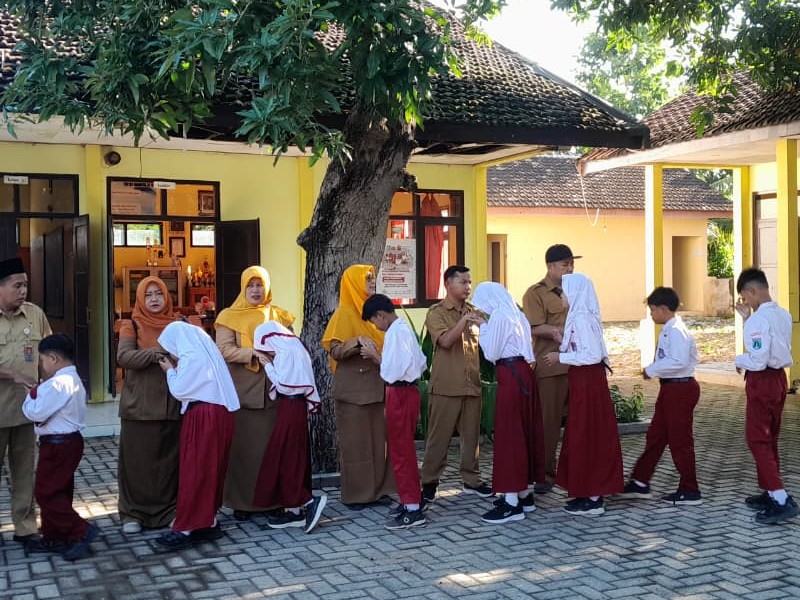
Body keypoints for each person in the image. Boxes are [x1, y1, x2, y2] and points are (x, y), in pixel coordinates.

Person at [215, 266, 295, 520]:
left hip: (274, 392)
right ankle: (243, 503)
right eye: (250, 285)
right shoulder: (229, 316)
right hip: (243, 394)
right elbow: (223, 350)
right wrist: (252, 353)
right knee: (244, 451)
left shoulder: (278, 315)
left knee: (272, 450)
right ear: (243, 288)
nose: (255, 290)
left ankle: (273, 501)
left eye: (260, 285)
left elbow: (292, 346)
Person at [543, 273, 623, 515]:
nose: (562, 297)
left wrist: (560, 356)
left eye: (564, 292)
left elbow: (591, 355)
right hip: (584, 382)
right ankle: (585, 491)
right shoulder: (580, 315)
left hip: (588, 382)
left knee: (589, 435)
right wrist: (563, 342)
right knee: (582, 434)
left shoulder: (581, 318)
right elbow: (584, 348)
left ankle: (594, 496)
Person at [155, 322, 239, 550]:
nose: (171, 354)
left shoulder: (191, 357)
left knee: (195, 471)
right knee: (211, 470)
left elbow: (180, 390)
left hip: (203, 416)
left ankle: (185, 528)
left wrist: (169, 371)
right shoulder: (205, 353)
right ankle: (208, 521)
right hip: (218, 414)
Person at [620, 287, 702, 505]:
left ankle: (690, 489)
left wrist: (652, 370)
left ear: (663, 309)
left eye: (653, 310)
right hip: (670, 388)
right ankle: (640, 481)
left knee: (680, 440)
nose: (651, 314)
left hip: (680, 389)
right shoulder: (670, 329)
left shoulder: (676, 331)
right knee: (656, 436)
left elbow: (679, 361)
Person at [472, 282, 544, 524]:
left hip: (511, 375)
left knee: (510, 436)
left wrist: (482, 327)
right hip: (522, 373)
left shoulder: (500, 316)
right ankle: (523, 495)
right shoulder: (516, 314)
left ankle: (512, 503)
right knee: (522, 433)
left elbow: (492, 353)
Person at [322, 265, 394, 509]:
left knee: (379, 444)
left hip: (378, 387)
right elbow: (334, 350)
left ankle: (378, 491)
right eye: (366, 279)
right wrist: (356, 341)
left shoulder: (376, 313)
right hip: (353, 391)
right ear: (352, 282)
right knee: (356, 445)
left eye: (373, 278)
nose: (371, 282)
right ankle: (357, 495)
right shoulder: (344, 313)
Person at [21, 334, 98, 560]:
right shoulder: (70, 379)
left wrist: (30, 396)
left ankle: (80, 530)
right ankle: (55, 536)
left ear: (53, 358)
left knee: (46, 493)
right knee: (59, 491)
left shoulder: (59, 383)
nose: (42, 364)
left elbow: (36, 412)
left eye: (43, 359)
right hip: (66, 442)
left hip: (58, 445)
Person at [116, 277, 183, 534]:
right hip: (139, 407)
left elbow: (193, 355)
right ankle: (133, 514)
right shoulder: (131, 324)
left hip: (172, 403)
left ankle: (169, 511)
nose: (154, 299)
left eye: (159, 293)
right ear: (140, 299)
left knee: (169, 463)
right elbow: (124, 357)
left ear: (167, 296)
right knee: (137, 463)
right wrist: (155, 354)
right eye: (148, 295)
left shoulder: (179, 324)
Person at [421, 265, 492, 503]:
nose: (468, 287)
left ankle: (472, 480)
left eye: (470, 282)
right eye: (463, 282)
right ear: (448, 284)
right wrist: (463, 322)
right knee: (438, 439)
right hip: (446, 387)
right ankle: (429, 482)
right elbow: (445, 341)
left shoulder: (474, 311)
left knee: (471, 439)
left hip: (471, 385)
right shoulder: (437, 312)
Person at [734, 268, 798, 524]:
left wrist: (738, 359)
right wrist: (747, 319)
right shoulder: (783, 314)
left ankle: (780, 499)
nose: (745, 302)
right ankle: (770, 491)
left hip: (762, 381)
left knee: (757, 439)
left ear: (752, 291)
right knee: (770, 437)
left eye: (745, 297)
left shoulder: (757, 321)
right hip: (779, 379)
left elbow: (758, 360)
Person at [251, 321, 327, 534]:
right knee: (292, 455)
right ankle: (294, 511)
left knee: (285, 456)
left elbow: (285, 385)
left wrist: (267, 366)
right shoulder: (294, 347)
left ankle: (308, 502)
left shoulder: (286, 352)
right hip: (294, 406)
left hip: (291, 406)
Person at [360, 294, 428, 530]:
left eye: (373, 321)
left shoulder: (395, 333)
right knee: (403, 449)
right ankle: (412, 499)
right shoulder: (404, 328)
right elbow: (421, 361)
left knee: (401, 452)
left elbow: (391, 371)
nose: (375, 326)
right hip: (408, 391)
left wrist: (374, 357)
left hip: (399, 393)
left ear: (380, 315)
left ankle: (412, 507)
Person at [0, 256, 51, 546]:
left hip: (26, 412)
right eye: (17, 286)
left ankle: (26, 528)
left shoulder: (34, 315)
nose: (23, 291)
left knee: (24, 473)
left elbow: (48, 355)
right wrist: (13, 374)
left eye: (26, 285)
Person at [522, 244, 578, 494]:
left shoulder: (576, 290)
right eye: (565, 264)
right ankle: (544, 474)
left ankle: (572, 471)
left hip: (577, 363)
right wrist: (565, 332)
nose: (570, 268)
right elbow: (534, 327)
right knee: (549, 424)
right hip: (550, 366)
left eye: (572, 264)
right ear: (550, 266)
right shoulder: (535, 293)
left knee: (579, 422)